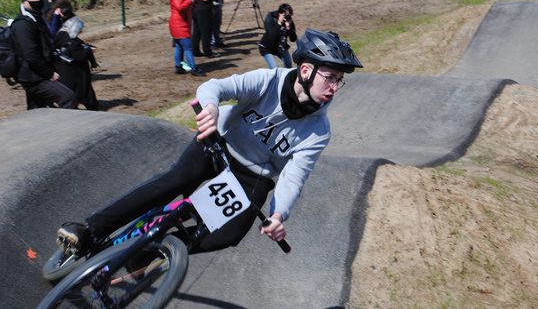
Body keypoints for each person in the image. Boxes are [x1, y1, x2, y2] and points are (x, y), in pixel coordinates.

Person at [55, 29, 363, 256]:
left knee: (229, 234)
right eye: (331, 77)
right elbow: (215, 86)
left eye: (340, 80)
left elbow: (294, 177)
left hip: (253, 174)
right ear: (306, 70)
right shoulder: (269, 80)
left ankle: (153, 253)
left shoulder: (319, 130)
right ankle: (90, 229)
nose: (336, 87)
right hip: (220, 144)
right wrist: (212, 107)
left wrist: (279, 213)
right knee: (174, 181)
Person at [12, 0, 77, 110]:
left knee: (37, 109)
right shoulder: (23, 24)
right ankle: (66, 129)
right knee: (68, 97)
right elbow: (30, 54)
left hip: (37, 74)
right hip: (34, 77)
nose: (37, 0)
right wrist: (49, 74)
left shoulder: (36, 18)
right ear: (24, 1)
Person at [54, 16, 99, 110]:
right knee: (85, 93)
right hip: (76, 73)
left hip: (64, 72)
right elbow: (78, 55)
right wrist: (88, 51)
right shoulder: (70, 40)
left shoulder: (60, 36)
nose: (80, 32)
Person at [169, 0, 205, 77]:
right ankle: (193, 68)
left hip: (178, 24)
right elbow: (180, 7)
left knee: (179, 46)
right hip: (180, 25)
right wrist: (189, 1)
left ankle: (178, 66)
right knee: (188, 47)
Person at [258, 3, 297, 69]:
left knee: (288, 68)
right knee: (274, 69)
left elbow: (293, 39)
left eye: (289, 15)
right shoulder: (271, 18)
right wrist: (279, 23)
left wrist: (288, 28)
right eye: (285, 15)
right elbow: (271, 37)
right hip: (267, 48)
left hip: (280, 47)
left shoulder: (288, 20)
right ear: (280, 13)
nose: (287, 17)